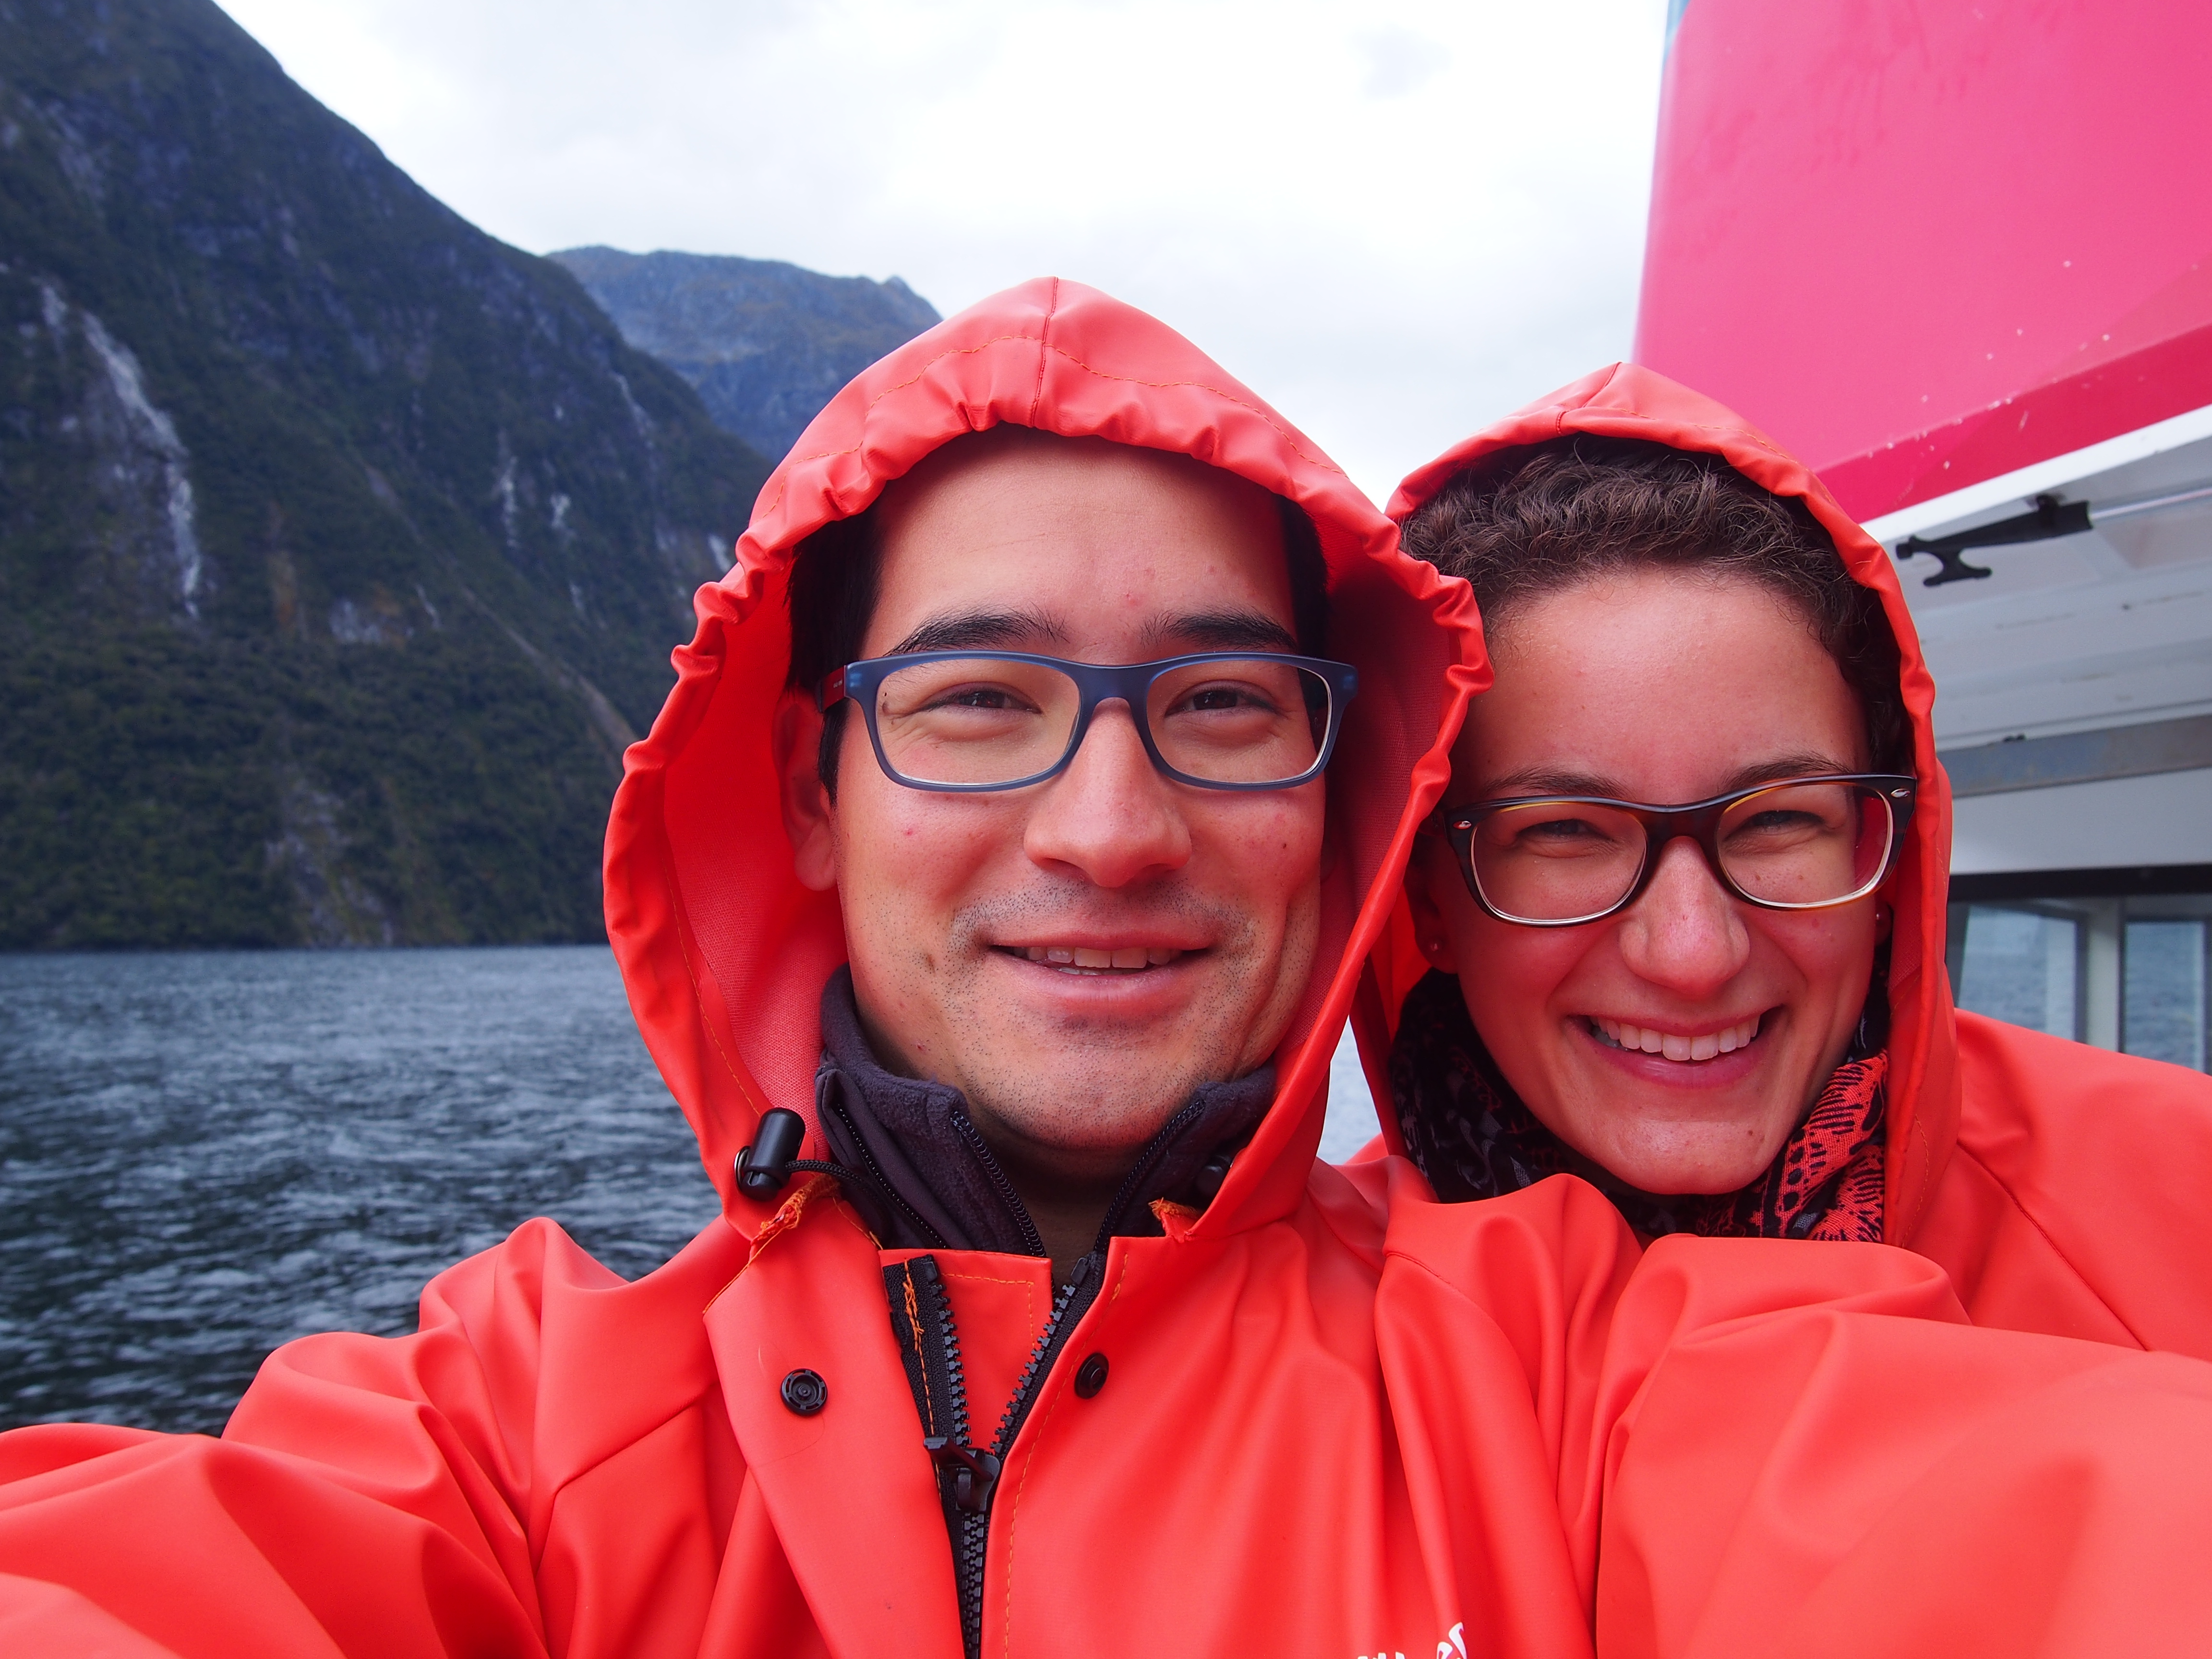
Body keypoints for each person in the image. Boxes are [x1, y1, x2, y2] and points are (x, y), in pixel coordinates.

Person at [6, 286, 2212, 1658]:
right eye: (976, 700)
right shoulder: (532, 1437)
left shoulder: (1555, 1358)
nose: (1106, 824)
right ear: (804, 790)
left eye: (1224, 704)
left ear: (1336, 803)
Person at [1362, 362, 2212, 1357]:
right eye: (1564, 831)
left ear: (1884, 860)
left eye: (1776, 822)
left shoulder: (2182, 1197)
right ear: (1427, 897)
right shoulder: (1313, 1337)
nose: (1693, 955)